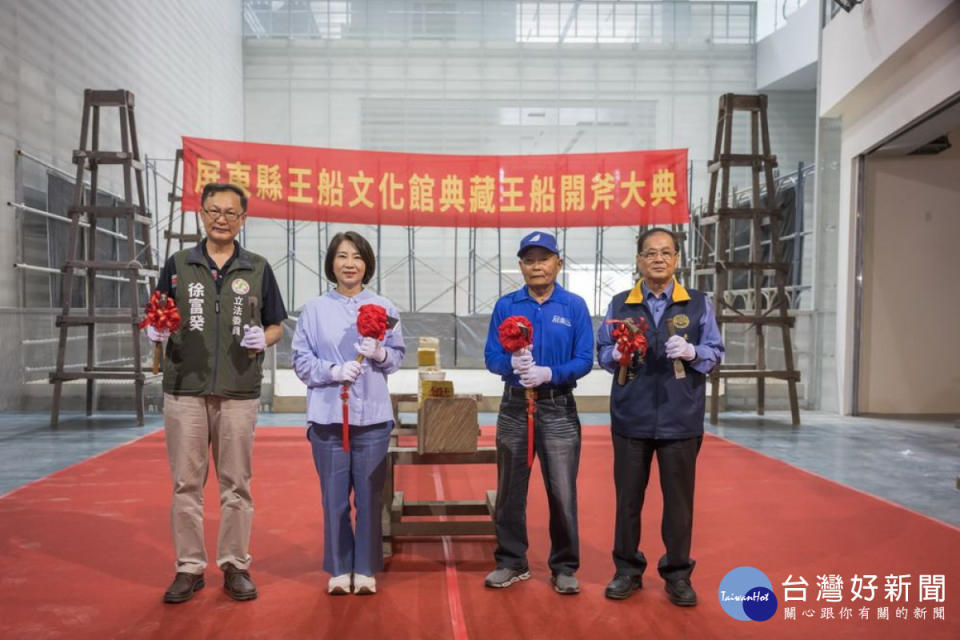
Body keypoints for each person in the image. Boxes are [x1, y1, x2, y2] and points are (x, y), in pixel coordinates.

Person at [149, 182, 287, 603]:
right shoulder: (177, 265)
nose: (221, 218)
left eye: (231, 212)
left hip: (239, 391)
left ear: (243, 219)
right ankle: (189, 567)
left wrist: (264, 339)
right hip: (184, 390)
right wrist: (155, 330)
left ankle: (235, 564)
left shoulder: (258, 268)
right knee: (185, 484)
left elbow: (277, 322)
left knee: (236, 483)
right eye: (214, 210)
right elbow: (157, 312)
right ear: (202, 215)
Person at [596, 227, 723, 606]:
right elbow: (601, 351)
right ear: (639, 260)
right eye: (650, 253)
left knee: (679, 503)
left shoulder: (698, 303)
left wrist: (692, 351)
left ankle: (678, 573)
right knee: (627, 500)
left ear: (678, 259)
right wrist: (615, 356)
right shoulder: (620, 303)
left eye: (666, 253)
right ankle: (627, 570)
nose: (658, 259)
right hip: (631, 418)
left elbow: (715, 353)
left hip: (680, 419)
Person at [291, 231, 405, 596]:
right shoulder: (313, 310)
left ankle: (365, 567)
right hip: (327, 418)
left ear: (367, 263)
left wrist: (380, 353)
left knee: (370, 497)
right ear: (332, 263)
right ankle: (340, 568)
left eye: (356, 256)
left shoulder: (385, 308)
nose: (349, 263)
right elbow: (301, 361)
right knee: (334, 497)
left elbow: (398, 357)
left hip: (372, 418)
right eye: (342, 256)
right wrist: (332, 372)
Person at [482, 231, 594, 595]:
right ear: (521, 266)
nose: (536, 266)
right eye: (529, 260)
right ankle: (511, 561)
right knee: (510, 490)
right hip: (515, 406)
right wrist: (512, 364)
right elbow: (491, 357)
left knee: (562, 491)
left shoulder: (574, 306)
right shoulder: (507, 305)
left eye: (543, 258)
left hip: (558, 406)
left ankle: (564, 565)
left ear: (557, 263)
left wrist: (551, 373)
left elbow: (584, 359)